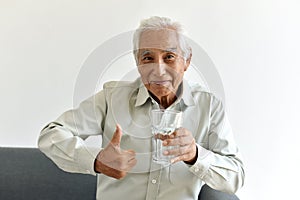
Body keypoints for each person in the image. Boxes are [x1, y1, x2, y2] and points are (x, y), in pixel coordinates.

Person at [38, 16, 244, 200]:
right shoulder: (112, 98)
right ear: (137, 62)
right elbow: (51, 134)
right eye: (148, 58)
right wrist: (97, 159)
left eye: (169, 57)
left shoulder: (208, 106)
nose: (158, 69)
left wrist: (195, 154)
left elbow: (235, 177)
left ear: (187, 60)